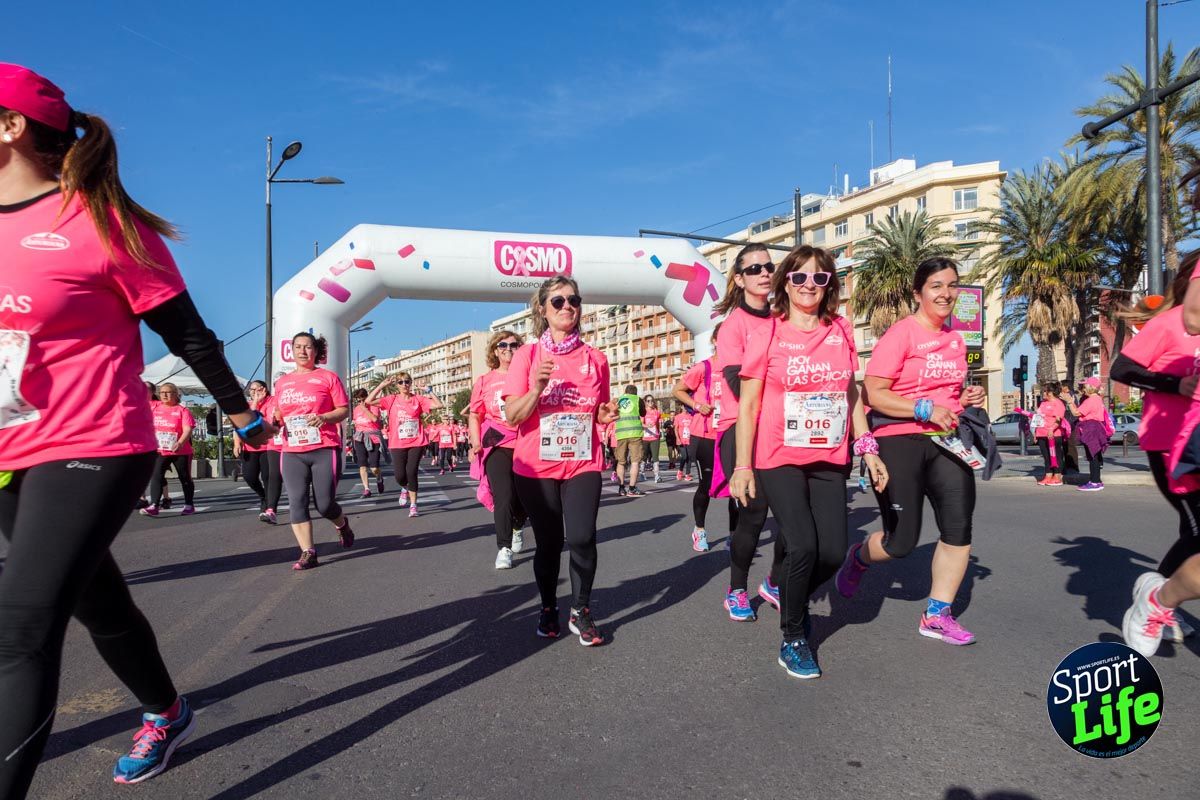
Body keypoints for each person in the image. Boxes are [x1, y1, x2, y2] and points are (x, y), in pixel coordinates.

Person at [0, 62, 276, 795]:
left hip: (95, 439)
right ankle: (167, 709)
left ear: (10, 126)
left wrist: (243, 416)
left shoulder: (96, 220)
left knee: (20, 625)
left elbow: (187, 335)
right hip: (7, 448)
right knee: (97, 599)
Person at [729, 245, 888, 677]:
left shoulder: (840, 329)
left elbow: (849, 393)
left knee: (833, 551)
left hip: (828, 455)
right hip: (778, 456)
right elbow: (747, 406)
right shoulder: (768, 333)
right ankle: (794, 636)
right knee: (803, 545)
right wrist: (743, 465)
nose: (809, 286)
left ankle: (784, 590)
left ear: (830, 284)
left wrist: (867, 445)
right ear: (785, 282)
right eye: (799, 277)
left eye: (819, 278)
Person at [835, 256, 987, 646]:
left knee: (958, 526)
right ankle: (859, 558)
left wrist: (967, 397)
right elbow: (873, 393)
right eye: (937, 285)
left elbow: (948, 393)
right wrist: (923, 407)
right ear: (918, 293)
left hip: (946, 441)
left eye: (952, 285)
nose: (946, 293)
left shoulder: (955, 339)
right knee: (900, 543)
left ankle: (937, 614)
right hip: (898, 438)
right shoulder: (901, 334)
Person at [503, 277, 618, 646]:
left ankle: (581, 610)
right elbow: (512, 417)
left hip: (582, 461)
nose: (567, 306)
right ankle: (549, 606)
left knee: (582, 536)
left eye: (574, 300)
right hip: (535, 468)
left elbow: (598, 410)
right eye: (558, 301)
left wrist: (604, 415)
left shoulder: (596, 359)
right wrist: (536, 388)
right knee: (550, 543)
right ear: (542, 309)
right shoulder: (527, 356)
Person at [1116, 249, 1200, 654]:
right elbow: (1122, 370)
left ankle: (1161, 597)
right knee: (1198, 531)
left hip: (1195, 437)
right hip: (1169, 442)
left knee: (1192, 531)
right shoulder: (1170, 324)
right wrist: (1174, 384)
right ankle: (1157, 602)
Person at [714, 244, 785, 616]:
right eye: (754, 268)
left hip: (783, 429)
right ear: (739, 279)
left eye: (768, 266)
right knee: (754, 513)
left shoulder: (783, 320)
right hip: (740, 426)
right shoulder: (734, 326)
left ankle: (773, 580)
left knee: (793, 513)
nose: (763, 272)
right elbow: (735, 384)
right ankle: (737, 589)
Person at [271, 332, 354, 570]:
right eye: (298, 347)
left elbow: (343, 410)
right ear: (292, 350)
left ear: (316, 351)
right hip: (292, 449)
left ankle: (342, 525)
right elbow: (279, 413)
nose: (302, 351)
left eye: (308, 347)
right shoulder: (282, 383)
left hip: (323, 447)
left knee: (325, 504)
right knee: (296, 501)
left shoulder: (328, 378)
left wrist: (324, 417)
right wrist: (275, 422)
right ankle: (308, 552)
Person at [469, 329, 527, 569]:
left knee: (522, 498)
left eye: (514, 345)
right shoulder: (485, 380)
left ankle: (518, 525)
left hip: (525, 442)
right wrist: (474, 442)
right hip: (497, 441)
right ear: (495, 350)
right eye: (502, 345)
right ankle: (503, 548)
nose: (508, 349)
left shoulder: (528, 376)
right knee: (502, 495)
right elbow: (475, 414)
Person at [366, 372, 442, 516]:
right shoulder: (391, 399)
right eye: (400, 382)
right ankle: (404, 488)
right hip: (397, 442)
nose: (404, 384)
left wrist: (428, 390)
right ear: (397, 385)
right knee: (400, 475)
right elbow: (369, 401)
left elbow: (439, 404)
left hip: (417, 441)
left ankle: (413, 505)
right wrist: (382, 385)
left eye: (407, 381)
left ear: (411, 383)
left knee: (411, 472)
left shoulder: (418, 399)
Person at [674, 345, 718, 551]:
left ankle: (736, 535)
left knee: (736, 487)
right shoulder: (704, 367)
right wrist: (698, 405)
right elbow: (677, 390)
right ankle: (699, 529)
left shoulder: (738, 368)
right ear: (717, 341)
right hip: (704, 435)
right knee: (706, 485)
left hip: (730, 433)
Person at [140, 382, 196, 516]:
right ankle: (154, 505)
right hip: (160, 450)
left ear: (176, 394)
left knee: (185, 477)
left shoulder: (182, 411)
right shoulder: (154, 406)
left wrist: (181, 442)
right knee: (157, 475)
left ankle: (189, 504)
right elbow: (142, 397)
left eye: (168, 392)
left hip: (180, 451)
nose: (164, 395)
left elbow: (188, 429)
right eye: (162, 392)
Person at [234, 380, 283, 523]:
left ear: (265, 389)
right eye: (251, 390)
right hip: (251, 447)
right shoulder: (248, 405)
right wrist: (237, 443)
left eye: (257, 389)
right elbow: (242, 424)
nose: (254, 392)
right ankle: (264, 497)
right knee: (249, 477)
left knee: (269, 477)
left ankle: (270, 508)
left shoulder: (274, 401)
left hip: (269, 447)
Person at [1062, 377, 1109, 491]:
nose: (1082, 388)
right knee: (1095, 455)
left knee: (1092, 456)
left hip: (1091, 428)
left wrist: (1069, 401)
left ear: (1090, 387)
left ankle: (1095, 482)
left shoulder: (1091, 400)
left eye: (1084, 386)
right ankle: (1096, 480)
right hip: (1096, 427)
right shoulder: (1097, 398)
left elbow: (1076, 413)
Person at [350, 388, 385, 498]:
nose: (360, 403)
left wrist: (365, 409)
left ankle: (379, 478)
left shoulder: (374, 407)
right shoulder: (356, 409)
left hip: (373, 437)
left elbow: (375, 419)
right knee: (362, 465)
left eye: (362, 400)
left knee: (374, 467)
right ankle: (367, 489)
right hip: (359, 438)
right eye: (358, 401)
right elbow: (356, 421)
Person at [613, 383, 647, 496]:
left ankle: (621, 488)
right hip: (635, 433)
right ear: (635, 392)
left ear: (625, 391)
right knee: (635, 461)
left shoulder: (618, 400)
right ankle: (632, 488)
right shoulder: (638, 399)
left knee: (621, 462)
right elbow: (643, 413)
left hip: (621, 433)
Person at [1030, 385, 1067, 486]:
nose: (1043, 393)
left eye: (1044, 391)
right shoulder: (1043, 403)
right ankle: (1048, 475)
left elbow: (1059, 420)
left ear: (1050, 392)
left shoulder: (1058, 403)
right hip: (1041, 433)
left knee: (1056, 455)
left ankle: (1057, 475)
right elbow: (1038, 418)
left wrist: (1052, 428)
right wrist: (1035, 432)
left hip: (1054, 434)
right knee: (1046, 456)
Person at [642, 395, 663, 483]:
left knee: (655, 457)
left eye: (652, 401)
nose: (650, 402)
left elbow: (658, 424)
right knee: (644, 457)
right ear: (645, 402)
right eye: (648, 401)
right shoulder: (643, 412)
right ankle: (642, 473)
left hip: (655, 437)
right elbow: (640, 424)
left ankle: (657, 476)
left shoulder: (657, 412)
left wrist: (659, 432)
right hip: (645, 437)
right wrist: (647, 426)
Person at [673, 405, 695, 480]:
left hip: (689, 439)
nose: (685, 408)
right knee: (684, 456)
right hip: (681, 440)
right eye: (684, 406)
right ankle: (680, 470)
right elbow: (675, 429)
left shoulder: (691, 416)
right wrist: (677, 438)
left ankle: (687, 474)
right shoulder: (678, 417)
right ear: (681, 407)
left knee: (689, 457)